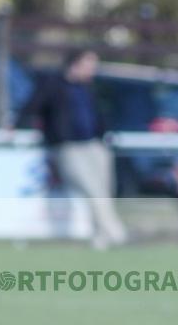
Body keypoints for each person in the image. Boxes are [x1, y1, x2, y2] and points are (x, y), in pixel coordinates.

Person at [20, 49, 127, 249]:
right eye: (89, 64)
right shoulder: (53, 85)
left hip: (95, 145)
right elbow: (31, 108)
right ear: (75, 63)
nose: (92, 70)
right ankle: (117, 234)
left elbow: (97, 116)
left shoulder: (88, 88)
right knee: (93, 190)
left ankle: (100, 239)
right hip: (68, 147)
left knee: (104, 191)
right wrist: (19, 126)